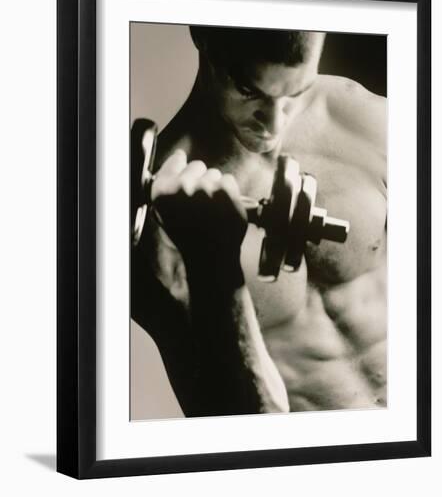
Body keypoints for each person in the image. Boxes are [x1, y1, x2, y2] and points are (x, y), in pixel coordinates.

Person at [131, 26, 387, 417]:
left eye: (295, 94)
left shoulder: (369, 122)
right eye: (250, 91)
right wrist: (213, 267)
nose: (274, 124)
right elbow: (233, 428)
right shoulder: (156, 224)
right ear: (203, 35)